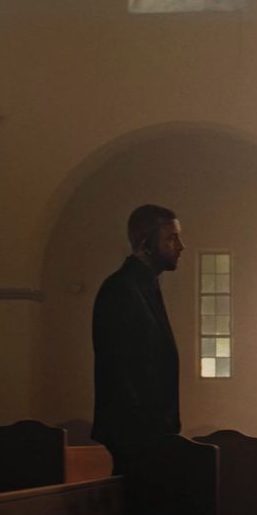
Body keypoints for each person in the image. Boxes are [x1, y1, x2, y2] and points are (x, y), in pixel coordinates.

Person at [91, 204, 185, 476]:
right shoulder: (120, 289)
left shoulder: (145, 286)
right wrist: (146, 430)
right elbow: (116, 368)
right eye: (171, 238)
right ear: (146, 243)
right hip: (136, 436)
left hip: (152, 433)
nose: (181, 246)